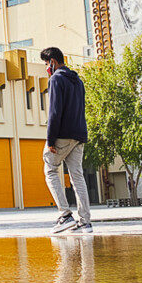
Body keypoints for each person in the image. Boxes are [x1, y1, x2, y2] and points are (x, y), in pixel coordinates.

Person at [41, 46, 92, 231]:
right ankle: (85, 221)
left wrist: (50, 140)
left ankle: (65, 215)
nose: (47, 68)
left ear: (53, 62)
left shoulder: (56, 79)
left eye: (46, 64)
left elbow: (54, 112)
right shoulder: (77, 80)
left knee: (50, 169)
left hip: (62, 135)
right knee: (77, 176)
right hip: (79, 134)